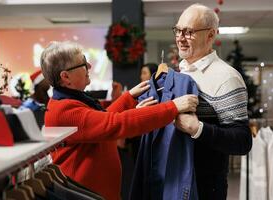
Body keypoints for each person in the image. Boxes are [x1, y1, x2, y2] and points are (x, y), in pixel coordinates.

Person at [40, 41, 198, 200]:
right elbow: (112, 124)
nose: (89, 66)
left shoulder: (71, 100)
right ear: (65, 76)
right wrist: (172, 108)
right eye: (82, 63)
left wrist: (128, 98)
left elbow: (100, 119)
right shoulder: (64, 110)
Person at [173, 4, 252, 199]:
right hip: (173, 181)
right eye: (178, 30)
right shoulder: (178, 72)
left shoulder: (226, 77)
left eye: (189, 32)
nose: (181, 38)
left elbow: (242, 141)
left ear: (210, 35)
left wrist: (198, 129)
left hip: (204, 189)